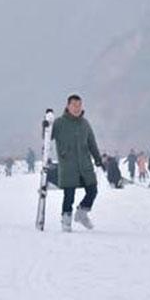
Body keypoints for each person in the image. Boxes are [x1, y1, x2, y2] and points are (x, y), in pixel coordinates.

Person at [51, 94, 103, 232]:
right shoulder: (59, 123)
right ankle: (66, 219)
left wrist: (98, 158)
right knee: (69, 195)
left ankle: (81, 213)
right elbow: (46, 136)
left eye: (79, 105)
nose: (77, 108)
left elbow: (92, 143)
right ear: (68, 106)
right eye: (74, 105)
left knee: (93, 190)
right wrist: (45, 125)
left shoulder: (85, 124)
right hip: (68, 165)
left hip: (85, 164)